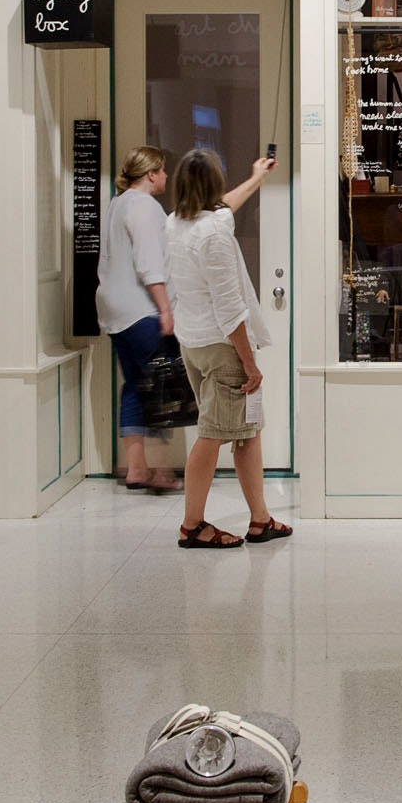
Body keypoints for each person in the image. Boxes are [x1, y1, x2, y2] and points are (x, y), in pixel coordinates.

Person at [163, 148, 284, 549]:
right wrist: (249, 364)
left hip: (194, 343)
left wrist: (257, 177)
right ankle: (192, 526)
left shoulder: (177, 223)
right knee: (212, 435)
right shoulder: (213, 234)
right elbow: (230, 309)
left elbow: (225, 207)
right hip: (222, 347)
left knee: (248, 432)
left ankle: (260, 520)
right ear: (213, 183)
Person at [95, 144, 181, 494]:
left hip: (115, 312)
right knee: (163, 386)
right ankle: (161, 472)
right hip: (142, 309)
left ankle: (135, 469)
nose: (165, 177)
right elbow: (149, 263)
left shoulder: (118, 204)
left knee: (134, 384)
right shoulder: (145, 206)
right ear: (151, 173)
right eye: (162, 170)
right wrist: (165, 309)